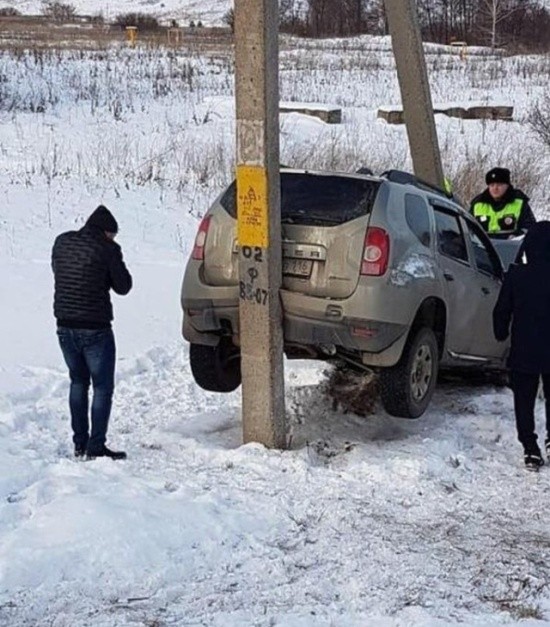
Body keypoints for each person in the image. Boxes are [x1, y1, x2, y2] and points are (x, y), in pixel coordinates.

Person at [52, 205, 132, 460]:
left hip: (64, 326)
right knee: (102, 387)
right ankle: (96, 446)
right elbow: (123, 286)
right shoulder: (108, 249)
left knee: (77, 382)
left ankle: (79, 443)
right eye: (113, 235)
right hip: (95, 329)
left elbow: (60, 272)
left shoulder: (61, 242)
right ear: (107, 232)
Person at [493, 221, 550, 471]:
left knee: (524, 400)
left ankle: (530, 448)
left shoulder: (517, 275)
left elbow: (501, 310)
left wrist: (500, 332)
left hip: (524, 349)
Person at [470, 167, 536, 238]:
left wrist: (517, 236)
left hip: (511, 246)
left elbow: (530, 228)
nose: (495, 188)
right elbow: (468, 227)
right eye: (492, 185)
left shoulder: (519, 202)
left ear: (507, 185)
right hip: (482, 247)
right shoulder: (477, 203)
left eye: (499, 185)